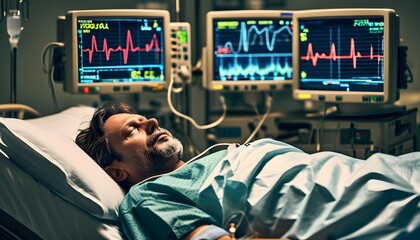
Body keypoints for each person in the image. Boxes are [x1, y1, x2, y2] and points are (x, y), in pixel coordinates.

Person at [76, 102, 420, 240]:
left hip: (377, 172)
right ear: (117, 171)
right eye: (131, 131)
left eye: (142, 118)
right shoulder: (144, 197)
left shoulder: (207, 162)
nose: (150, 121)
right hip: (363, 203)